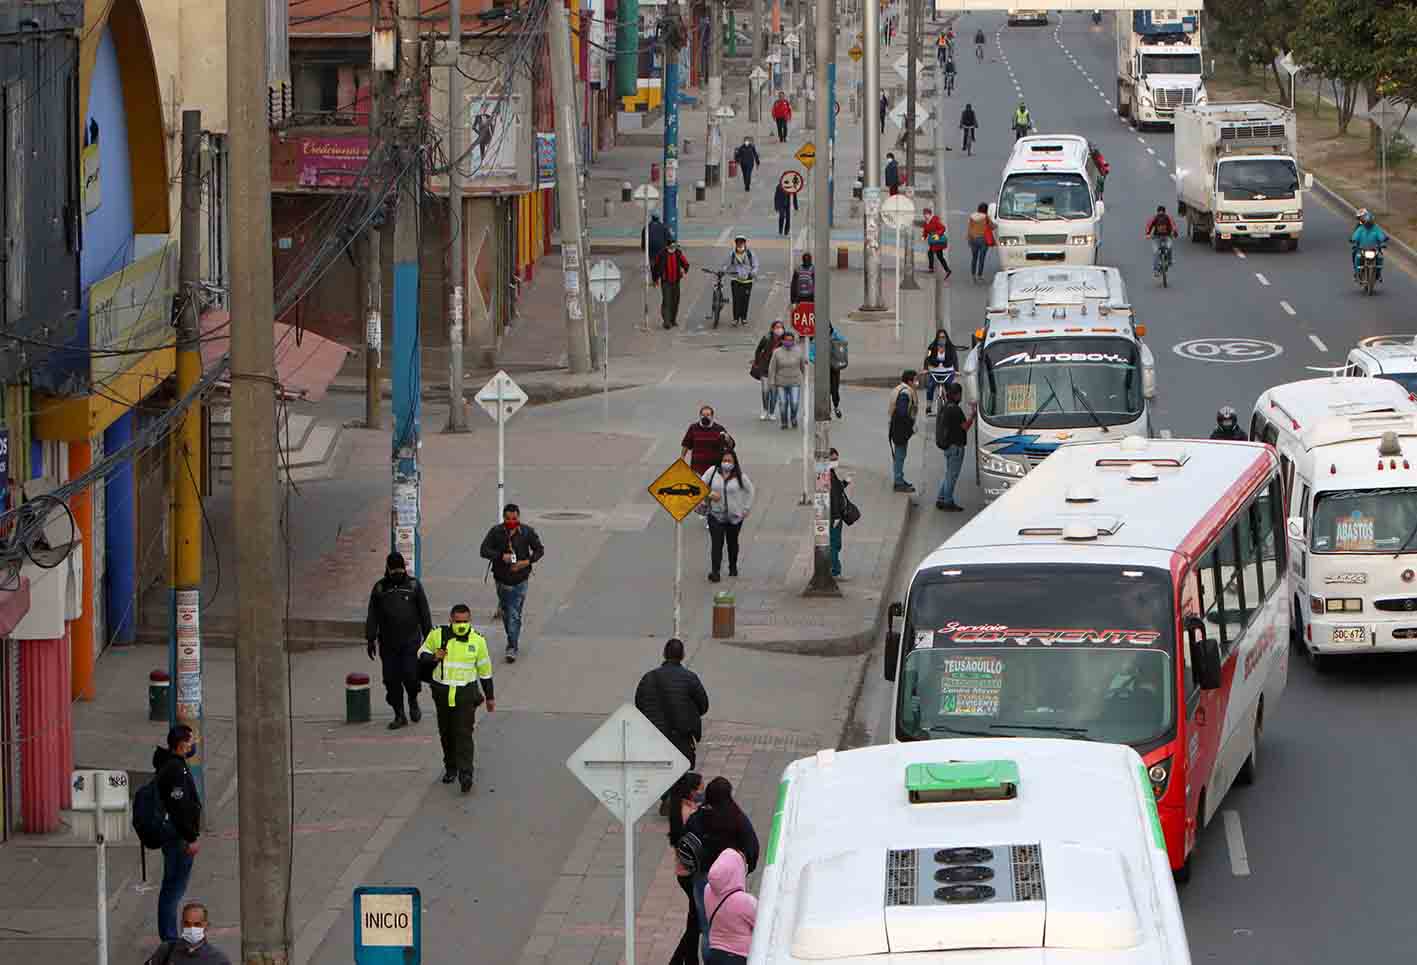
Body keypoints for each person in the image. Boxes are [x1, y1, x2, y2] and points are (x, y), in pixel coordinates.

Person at [417, 604, 494, 792]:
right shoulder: (438, 635)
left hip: (465, 694)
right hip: (442, 692)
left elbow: (485, 672)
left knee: (464, 733)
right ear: (451, 619)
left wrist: (490, 697)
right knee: (446, 732)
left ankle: (466, 773)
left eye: (465, 621)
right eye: (458, 621)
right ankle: (450, 767)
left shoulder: (478, 641)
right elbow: (421, 653)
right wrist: (434, 657)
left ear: (470, 620)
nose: (462, 625)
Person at [685, 777, 760, 963]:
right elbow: (752, 846)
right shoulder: (736, 818)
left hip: (703, 878)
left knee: (707, 928)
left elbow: (687, 839)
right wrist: (743, 869)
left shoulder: (698, 818)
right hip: (731, 881)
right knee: (734, 921)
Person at [634, 638, 710, 803]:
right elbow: (704, 705)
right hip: (681, 734)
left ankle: (669, 795)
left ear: (664, 654)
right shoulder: (690, 678)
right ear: (682, 655)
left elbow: (639, 704)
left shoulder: (648, 679)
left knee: (665, 767)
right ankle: (675, 796)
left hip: (654, 735)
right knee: (680, 765)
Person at [365, 551, 433, 730]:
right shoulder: (380, 588)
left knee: (411, 676)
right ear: (388, 569)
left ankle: (412, 699)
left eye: (400, 569)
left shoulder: (414, 586)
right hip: (387, 643)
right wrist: (370, 638)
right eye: (394, 569)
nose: (397, 572)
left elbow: (424, 612)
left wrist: (429, 637)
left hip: (410, 640)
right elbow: (372, 614)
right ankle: (399, 714)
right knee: (391, 679)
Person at [478, 504, 545, 662]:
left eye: (514, 518)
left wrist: (526, 562)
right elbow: (483, 550)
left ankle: (512, 646)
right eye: (508, 519)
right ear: (503, 518)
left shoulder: (527, 532)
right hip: (502, 580)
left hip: (521, 580)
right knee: (509, 614)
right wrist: (501, 556)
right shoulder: (496, 532)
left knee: (513, 613)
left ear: (519, 517)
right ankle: (513, 635)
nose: (511, 521)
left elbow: (539, 550)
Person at [154, 725, 202, 944]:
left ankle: (169, 936)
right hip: (178, 837)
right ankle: (169, 938)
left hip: (176, 834)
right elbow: (179, 807)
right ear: (182, 744)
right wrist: (191, 837)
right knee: (173, 889)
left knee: (172, 887)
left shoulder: (171, 764)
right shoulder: (175, 769)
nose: (193, 745)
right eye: (191, 741)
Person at [666, 772, 706, 965]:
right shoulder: (688, 814)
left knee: (695, 919)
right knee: (696, 921)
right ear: (691, 792)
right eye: (700, 788)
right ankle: (684, 960)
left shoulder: (679, 809)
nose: (702, 791)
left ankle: (685, 960)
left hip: (682, 871)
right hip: (691, 874)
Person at [702, 452, 755, 581]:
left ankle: (733, 566)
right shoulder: (712, 472)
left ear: (734, 462)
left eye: (729, 461)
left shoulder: (739, 476)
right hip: (715, 515)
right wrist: (710, 494)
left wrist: (746, 508)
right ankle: (715, 572)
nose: (726, 463)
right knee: (716, 544)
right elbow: (699, 484)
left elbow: (751, 490)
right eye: (724, 460)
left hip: (734, 517)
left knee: (732, 543)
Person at [703, 848, 758, 965]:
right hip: (738, 958)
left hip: (714, 954)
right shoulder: (744, 901)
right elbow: (761, 925)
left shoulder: (708, 890)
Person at [146, 901, 231, 965]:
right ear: (182, 924)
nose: (192, 928)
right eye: (187, 924)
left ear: (206, 925)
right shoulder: (167, 950)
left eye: (197, 924)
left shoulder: (218, 960)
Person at [935, 382, 976, 511]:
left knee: (948, 474)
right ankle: (948, 501)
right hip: (956, 448)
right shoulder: (955, 409)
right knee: (952, 476)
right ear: (957, 395)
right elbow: (964, 427)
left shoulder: (945, 406)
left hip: (947, 446)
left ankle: (941, 498)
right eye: (960, 394)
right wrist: (972, 416)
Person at [888, 370, 920, 492]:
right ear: (910, 381)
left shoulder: (902, 389)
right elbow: (902, 413)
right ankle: (898, 482)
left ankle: (900, 479)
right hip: (900, 429)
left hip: (898, 428)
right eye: (915, 380)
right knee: (900, 456)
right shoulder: (905, 393)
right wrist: (910, 426)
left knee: (900, 455)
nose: (917, 382)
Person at [769, 329, 806, 430]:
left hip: (795, 381)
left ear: (794, 341)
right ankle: (784, 421)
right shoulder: (777, 352)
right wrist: (771, 382)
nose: (788, 342)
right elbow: (772, 368)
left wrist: (804, 377)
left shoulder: (798, 351)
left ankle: (793, 418)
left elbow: (803, 366)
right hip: (781, 382)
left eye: (791, 340)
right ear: (782, 341)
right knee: (783, 403)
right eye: (786, 340)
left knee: (794, 403)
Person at [682, 404, 733, 474]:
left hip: (714, 468)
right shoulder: (693, 428)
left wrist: (728, 439)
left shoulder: (719, 429)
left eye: (708, 415)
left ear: (712, 417)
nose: (705, 417)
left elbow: (731, 445)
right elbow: (686, 444)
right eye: (703, 415)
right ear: (700, 416)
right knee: (697, 485)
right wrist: (682, 458)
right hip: (697, 467)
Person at [722, 234, 758, 327]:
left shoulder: (750, 254)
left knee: (745, 300)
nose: (740, 244)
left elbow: (755, 265)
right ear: (735, 243)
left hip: (747, 281)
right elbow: (726, 264)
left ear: (744, 243)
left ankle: (744, 318)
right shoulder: (732, 254)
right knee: (736, 299)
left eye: (741, 242)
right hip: (735, 280)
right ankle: (735, 318)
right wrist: (723, 270)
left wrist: (753, 272)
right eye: (738, 242)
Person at [751, 322, 785, 420]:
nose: (779, 329)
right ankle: (765, 410)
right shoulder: (766, 338)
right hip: (765, 368)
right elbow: (758, 350)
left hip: (778, 370)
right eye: (777, 327)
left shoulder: (785, 339)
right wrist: (757, 362)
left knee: (774, 392)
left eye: (781, 327)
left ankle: (772, 412)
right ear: (772, 329)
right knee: (765, 390)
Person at [656, 237, 691, 329]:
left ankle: (673, 320)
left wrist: (684, 271)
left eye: (674, 246)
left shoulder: (678, 253)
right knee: (667, 301)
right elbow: (656, 266)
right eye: (672, 246)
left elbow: (686, 264)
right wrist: (655, 279)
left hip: (676, 281)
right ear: (667, 246)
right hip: (666, 282)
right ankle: (666, 322)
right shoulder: (662, 254)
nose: (673, 248)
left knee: (675, 301)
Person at [922, 330, 958, 415]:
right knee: (930, 387)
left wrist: (956, 370)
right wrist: (925, 368)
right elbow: (927, 358)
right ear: (937, 338)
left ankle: (951, 406)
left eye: (943, 337)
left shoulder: (951, 347)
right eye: (940, 337)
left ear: (946, 338)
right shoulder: (932, 347)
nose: (942, 339)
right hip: (935, 372)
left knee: (950, 387)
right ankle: (928, 407)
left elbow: (955, 359)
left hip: (947, 372)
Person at [828, 448, 849, 577]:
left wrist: (845, 482)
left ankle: (835, 569)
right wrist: (836, 517)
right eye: (833, 459)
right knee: (834, 544)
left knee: (836, 543)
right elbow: (833, 496)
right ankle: (835, 570)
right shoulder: (828, 475)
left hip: (835, 515)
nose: (835, 462)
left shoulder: (830, 473)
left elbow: (836, 489)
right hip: (834, 516)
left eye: (836, 459)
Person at [1352, 208, 1388, 282]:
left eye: (1361, 217)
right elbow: (1355, 235)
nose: (1367, 224)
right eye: (1359, 218)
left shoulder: (1376, 228)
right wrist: (1354, 240)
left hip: (1374, 248)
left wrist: (1383, 240)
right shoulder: (1360, 228)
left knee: (1380, 257)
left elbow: (1381, 235)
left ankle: (1378, 274)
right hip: (1362, 247)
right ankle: (1357, 272)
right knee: (1357, 257)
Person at [1145, 204, 1177, 276]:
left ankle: (1169, 261)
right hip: (1157, 237)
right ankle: (1156, 269)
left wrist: (1174, 233)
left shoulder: (1168, 218)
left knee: (1169, 247)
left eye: (1162, 212)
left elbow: (1173, 226)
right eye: (1160, 212)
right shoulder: (1155, 218)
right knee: (1156, 252)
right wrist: (1147, 233)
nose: (1161, 214)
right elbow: (1149, 226)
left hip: (1166, 236)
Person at [966, 203, 994, 280]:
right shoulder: (986, 217)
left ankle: (973, 275)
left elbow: (969, 228)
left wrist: (969, 239)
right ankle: (980, 275)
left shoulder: (972, 216)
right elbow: (992, 226)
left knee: (974, 257)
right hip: (983, 239)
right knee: (982, 258)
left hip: (973, 239)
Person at [921, 208, 951, 277]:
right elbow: (926, 231)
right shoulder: (926, 222)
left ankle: (933, 269)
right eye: (924, 214)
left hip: (937, 241)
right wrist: (923, 237)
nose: (925, 216)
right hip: (933, 241)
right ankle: (947, 270)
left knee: (936, 255)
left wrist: (937, 234)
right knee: (937, 255)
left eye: (927, 214)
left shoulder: (935, 220)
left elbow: (943, 228)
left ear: (930, 214)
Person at [641, 213, 669, 281]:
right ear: (658, 218)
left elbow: (644, 239)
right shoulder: (664, 227)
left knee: (652, 263)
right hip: (661, 247)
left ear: (652, 218)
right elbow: (668, 238)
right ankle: (662, 277)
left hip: (651, 248)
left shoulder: (646, 227)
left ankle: (655, 280)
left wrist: (644, 248)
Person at [829, 325, 848, 419]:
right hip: (823, 368)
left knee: (835, 389)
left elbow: (844, 345)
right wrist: (815, 360)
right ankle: (826, 410)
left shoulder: (837, 336)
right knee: (824, 390)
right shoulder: (818, 337)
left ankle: (836, 406)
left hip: (835, 368)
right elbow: (812, 351)